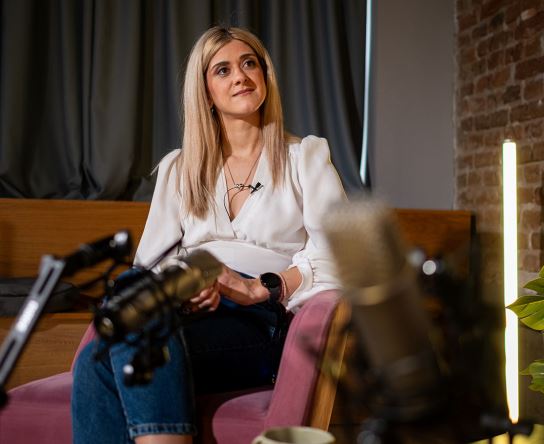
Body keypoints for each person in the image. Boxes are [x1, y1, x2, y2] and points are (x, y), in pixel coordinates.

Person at [71, 26, 346, 444]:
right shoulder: (179, 168)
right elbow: (152, 265)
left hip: (260, 321)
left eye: (249, 63)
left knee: (107, 354)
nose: (240, 76)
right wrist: (187, 291)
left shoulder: (305, 156)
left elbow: (342, 258)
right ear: (205, 92)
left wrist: (257, 288)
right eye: (223, 70)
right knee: (132, 296)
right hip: (183, 313)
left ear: (265, 76)